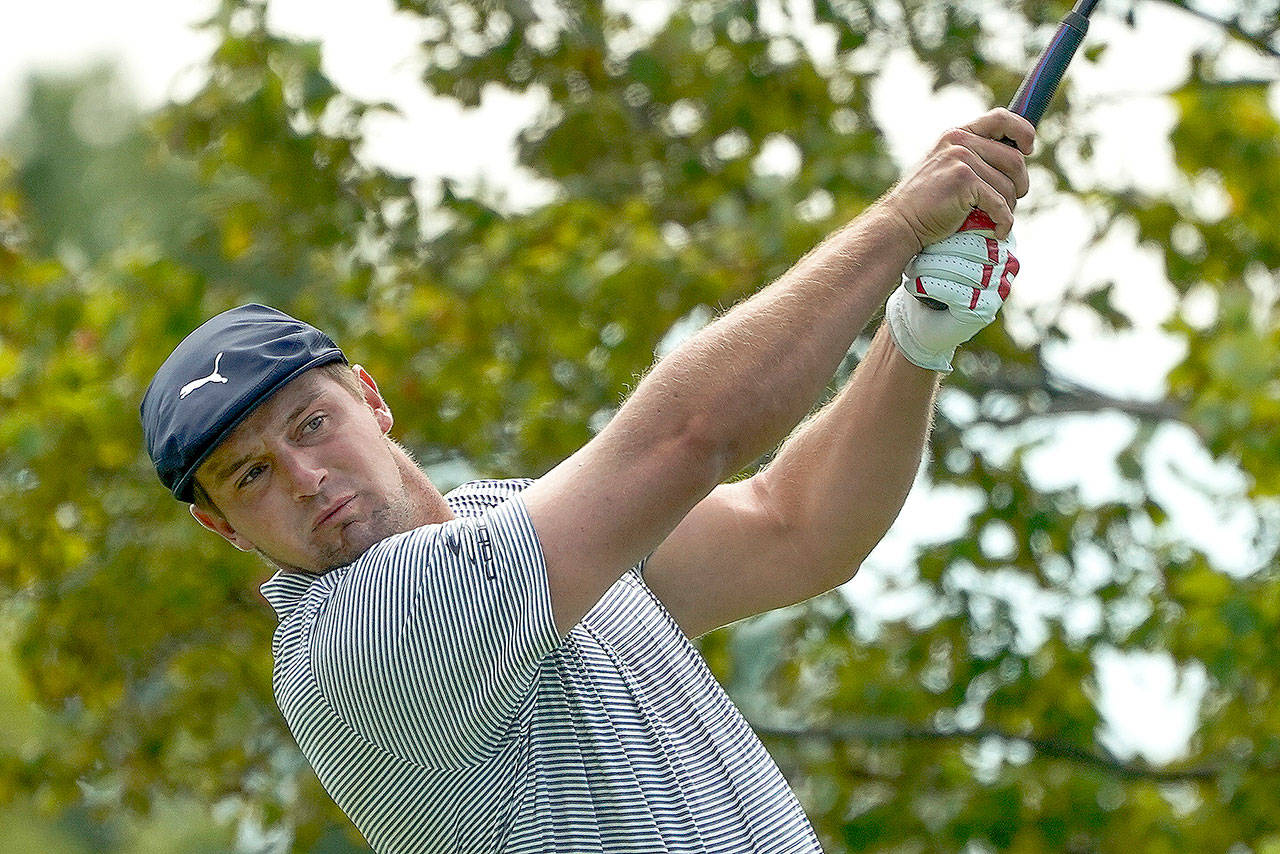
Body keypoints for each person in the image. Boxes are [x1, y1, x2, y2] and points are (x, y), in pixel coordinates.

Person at [140, 108, 1032, 853]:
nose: (303, 477)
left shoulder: (513, 527)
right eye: (252, 473)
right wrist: (899, 226)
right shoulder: (361, 636)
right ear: (222, 526)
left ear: (370, 401)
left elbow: (795, 528)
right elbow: (690, 437)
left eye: (312, 423)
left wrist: (915, 338)